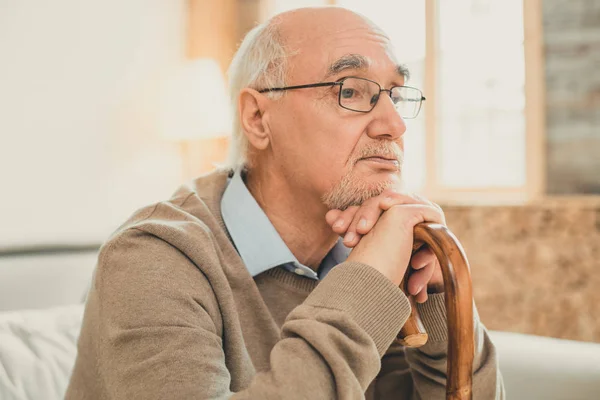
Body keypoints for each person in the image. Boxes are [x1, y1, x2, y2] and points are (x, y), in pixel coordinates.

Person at [66, 6, 504, 399]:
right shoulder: (150, 258)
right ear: (258, 118)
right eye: (350, 91)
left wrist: (435, 300)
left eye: (396, 93)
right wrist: (367, 284)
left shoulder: (375, 244)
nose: (393, 125)